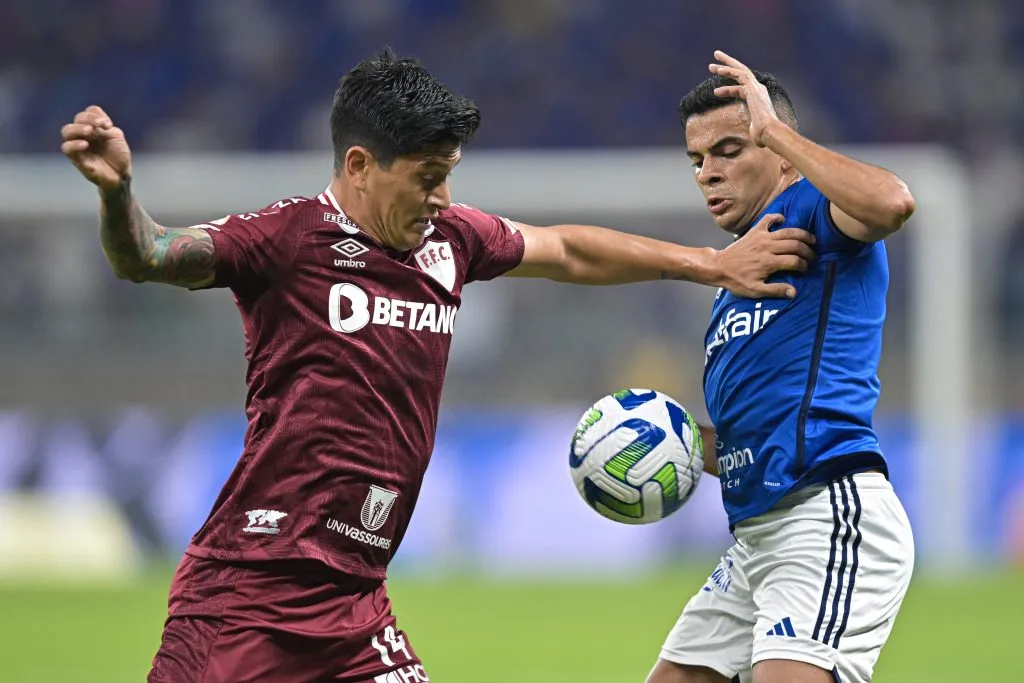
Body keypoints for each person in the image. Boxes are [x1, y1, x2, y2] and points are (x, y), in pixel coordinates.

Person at [61, 49, 815, 683]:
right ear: (360, 165)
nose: (443, 197)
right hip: (246, 593)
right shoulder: (285, 240)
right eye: (426, 176)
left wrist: (710, 264)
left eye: (448, 174)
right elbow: (151, 255)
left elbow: (568, 249)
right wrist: (118, 192)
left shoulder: (451, 241)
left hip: (355, 606)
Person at [646, 51, 917, 683]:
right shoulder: (737, 269)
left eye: (730, 150)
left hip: (826, 515)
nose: (708, 173)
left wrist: (773, 129)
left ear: (783, 152)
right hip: (758, 538)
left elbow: (892, 203)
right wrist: (665, 442)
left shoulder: (816, 214)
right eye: (697, 160)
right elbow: (757, 437)